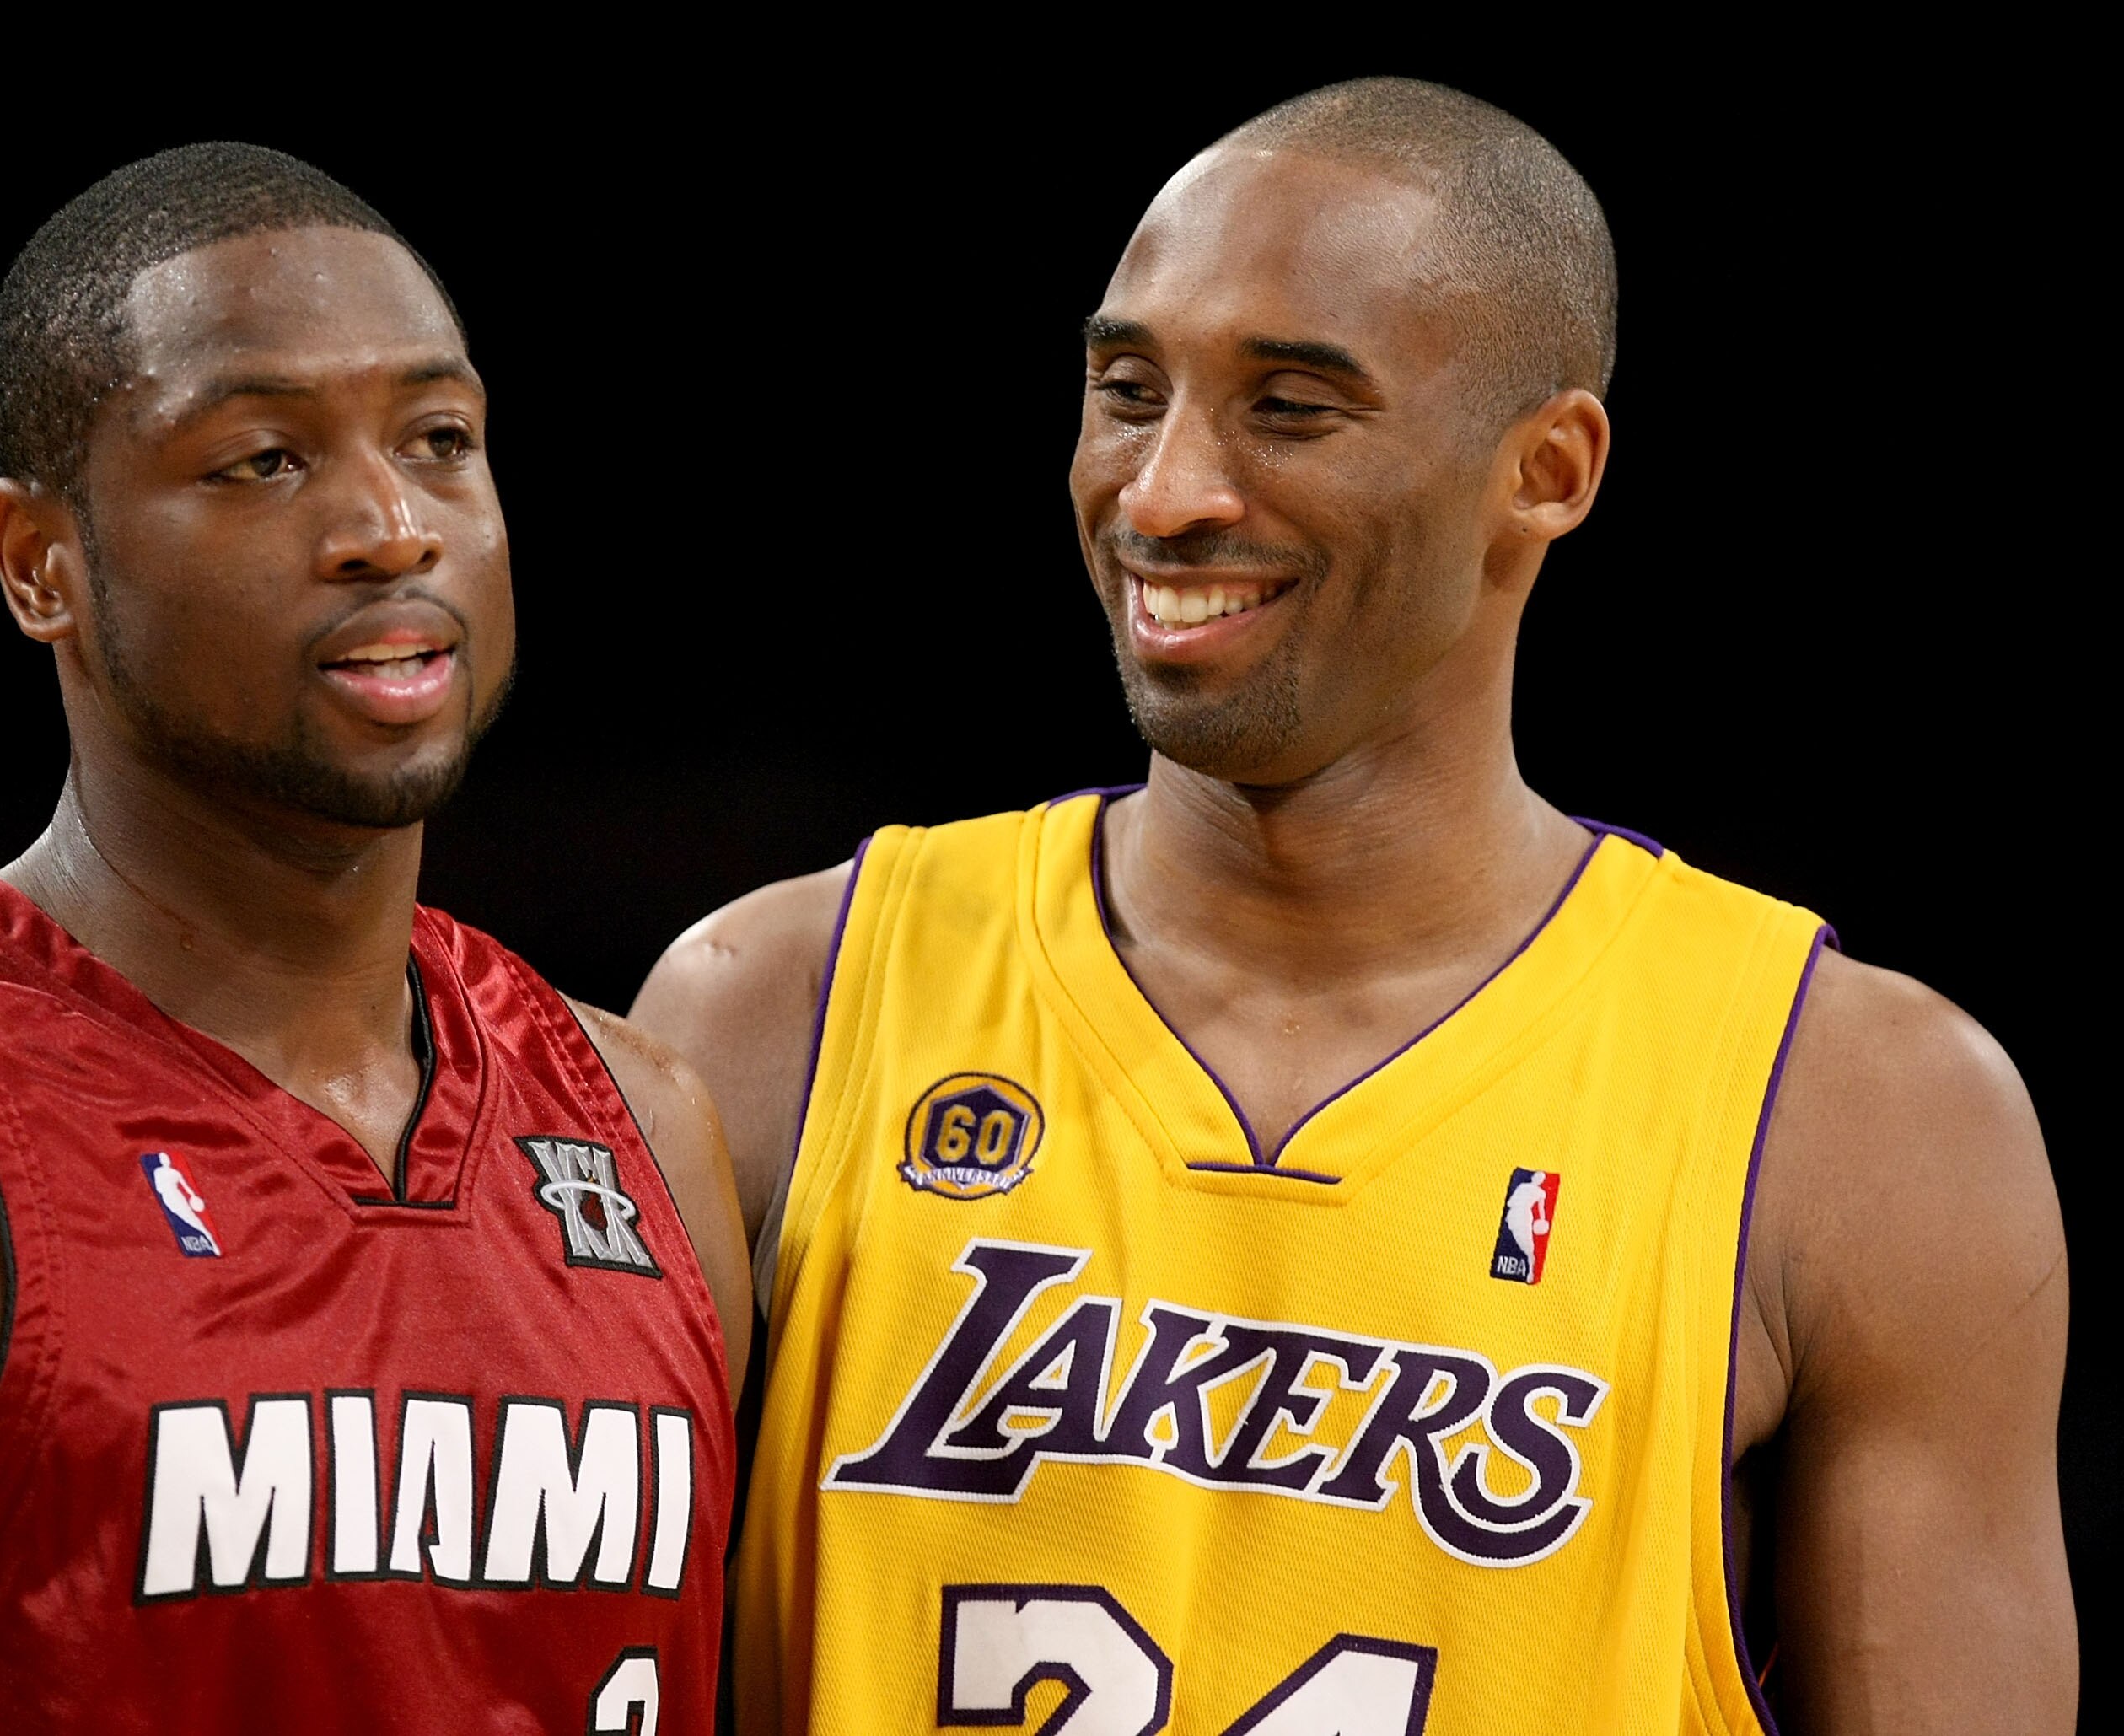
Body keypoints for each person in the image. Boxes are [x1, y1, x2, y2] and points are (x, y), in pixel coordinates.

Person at [632, 79, 2073, 1733]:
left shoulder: (1863, 1118)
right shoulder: (771, 1007)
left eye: (1292, 409)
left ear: (1548, 468)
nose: (1165, 493)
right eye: (1125, 392)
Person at [0, 143, 750, 1733]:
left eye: (441, 439)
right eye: (262, 460)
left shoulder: (650, 1134)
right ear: (37, 563)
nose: (388, 525)